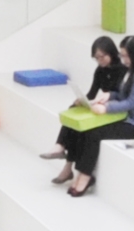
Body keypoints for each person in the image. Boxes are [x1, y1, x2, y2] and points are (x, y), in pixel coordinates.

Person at [59, 33, 134, 197]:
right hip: (125, 118)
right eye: (122, 55)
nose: (124, 59)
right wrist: (109, 96)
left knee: (94, 134)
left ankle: (85, 176)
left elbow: (131, 102)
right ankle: (79, 172)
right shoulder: (132, 71)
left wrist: (106, 108)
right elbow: (122, 95)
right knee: (86, 129)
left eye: (126, 55)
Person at [40, 36, 125, 164]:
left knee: (83, 125)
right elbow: (92, 93)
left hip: (115, 108)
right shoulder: (100, 70)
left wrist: (103, 101)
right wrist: (82, 100)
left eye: (102, 57)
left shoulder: (123, 70)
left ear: (111, 53)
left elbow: (122, 95)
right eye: (97, 58)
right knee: (74, 110)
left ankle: (66, 162)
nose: (100, 61)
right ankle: (60, 146)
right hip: (103, 105)